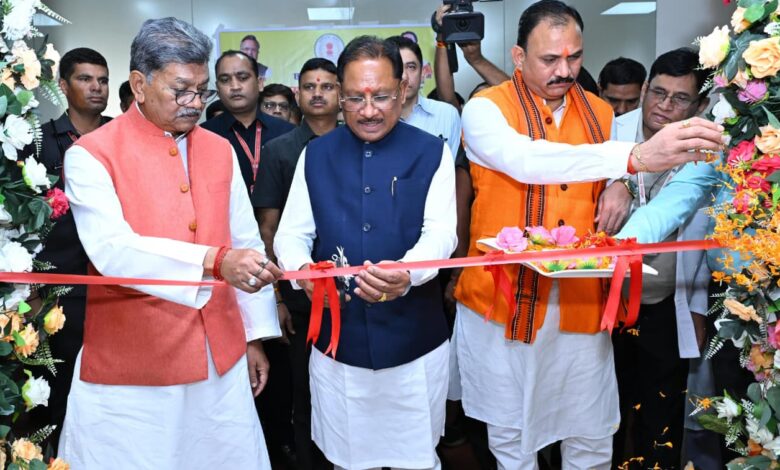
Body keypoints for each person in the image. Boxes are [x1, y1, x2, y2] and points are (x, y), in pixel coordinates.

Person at [452, 1, 725, 468]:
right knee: (512, 440)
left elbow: (615, 178)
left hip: (580, 304)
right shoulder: (485, 109)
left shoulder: (599, 112)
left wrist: (622, 181)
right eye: (549, 59)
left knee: (591, 435)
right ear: (518, 57)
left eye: (574, 57)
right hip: (503, 304)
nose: (564, 70)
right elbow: (527, 160)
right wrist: (631, 160)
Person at [59, 17, 282, 469]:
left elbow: (245, 240)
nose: (195, 103)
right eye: (181, 91)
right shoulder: (90, 154)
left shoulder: (219, 149)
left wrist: (255, 336)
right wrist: (214, 261)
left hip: (219, 356)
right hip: (133, 361)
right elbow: (112, 250)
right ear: (139, 85)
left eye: (201, 91)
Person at [274, 35, 457, 470]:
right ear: (339, 93)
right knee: (347, 459)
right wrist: (304, 271)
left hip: (415, 342)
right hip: (340, 345)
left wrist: (407, 273)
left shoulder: (432, 151)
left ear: (404, 88)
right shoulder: (315, 155)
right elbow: (290, 235)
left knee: (418, 458)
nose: (369, 111)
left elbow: (442, 233)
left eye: (382, 97)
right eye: (356, 98)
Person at [602, 48, 711, 469]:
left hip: (667, 301)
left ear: (699, 104)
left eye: (680, 98)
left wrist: (696, 309)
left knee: (660, 414)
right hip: (604, 300)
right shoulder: (610, 130)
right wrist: (622, 180)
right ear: (645, 88)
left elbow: (705, 238)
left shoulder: (705, 148)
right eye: (658, 92)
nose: (664, 106)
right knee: (602, 411)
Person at [253, 57, 340, 470]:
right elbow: (267, 230)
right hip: (301, 298)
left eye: (327, 86)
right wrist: (278, 298)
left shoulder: (360, 142)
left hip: (357, 292)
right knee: (306, 394)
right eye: (310, 87)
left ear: (341, 92)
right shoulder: (280, 150)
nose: (318, 94)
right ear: (297, 94)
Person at [22, 46, 111, 452]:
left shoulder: (121, 138)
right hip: (61, 289)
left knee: (111, 394)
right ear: (62, 85)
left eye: (102, 80)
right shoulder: (38, 144)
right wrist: (32, 292)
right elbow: (22, 223)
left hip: (117, 284)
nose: (96, 88)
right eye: (84, 79)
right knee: (58, 393)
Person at [202, 51, 294, 193]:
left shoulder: (287, 133)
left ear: (260, 83)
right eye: (225, 80)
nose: (235, 86)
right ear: (218, 89)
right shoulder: (203, 136)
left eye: (243, 78)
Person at [387, 35, 461, 158]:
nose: (404, 76)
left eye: (411, 67)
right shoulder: (371, 118)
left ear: (422, 73)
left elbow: (456, 166)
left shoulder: (447, 115)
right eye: (396, 67)